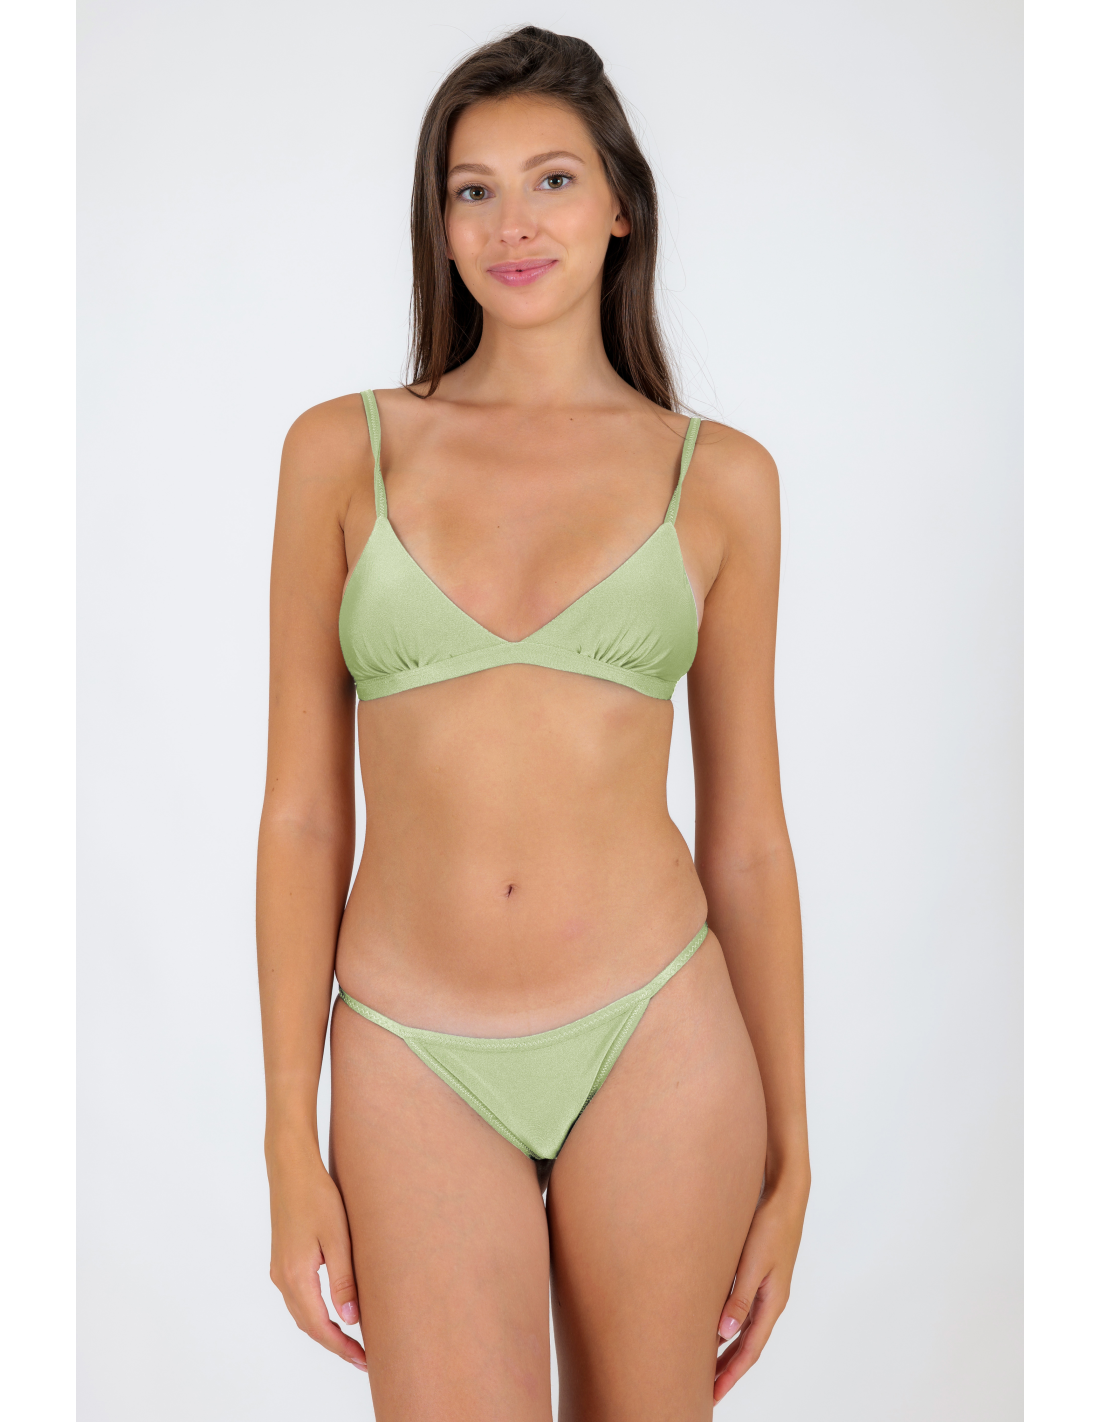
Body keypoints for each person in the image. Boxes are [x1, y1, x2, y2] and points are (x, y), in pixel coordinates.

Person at [257, 24, 809, 1419]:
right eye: (474, 189)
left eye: (553, 180)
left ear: (620, 204)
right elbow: (304, 815)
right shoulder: (341, 454)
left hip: (657, 1029)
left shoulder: (720, 480)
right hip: (409, 1042)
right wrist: (286, 1140)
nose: (513, 224)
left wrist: (794, 1158)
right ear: (438, 222)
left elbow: (748, 839)